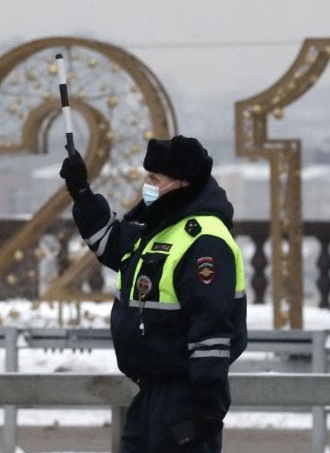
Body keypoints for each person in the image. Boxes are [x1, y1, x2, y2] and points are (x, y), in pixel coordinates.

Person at [60, 135, 247, 453]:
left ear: (181, 183)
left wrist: (207, 411)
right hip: (150, 393)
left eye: (154, 178)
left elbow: (211, 329)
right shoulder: (158, 228)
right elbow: (109, 241)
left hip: (183, 398)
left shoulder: (203, 240)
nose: (146, 185)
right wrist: (81, 192)